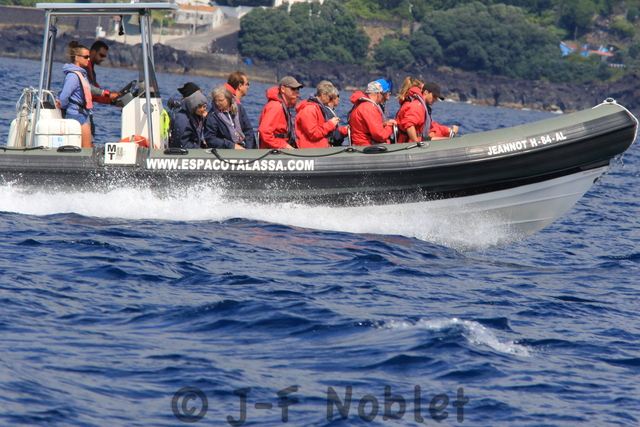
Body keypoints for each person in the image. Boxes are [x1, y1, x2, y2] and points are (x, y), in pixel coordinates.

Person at [57, 41, 93, 148]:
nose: (89, 59)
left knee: (89, 145)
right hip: (75, 114)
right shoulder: (73, 76)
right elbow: (64, 96)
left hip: (82, 113)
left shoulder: (81, 74)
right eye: (86, 57)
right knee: (86, 147)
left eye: (89, 57)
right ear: (77, 57)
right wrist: (62, 107)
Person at [257, 76, 302, 149]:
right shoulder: (276, 106)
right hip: (273, 151)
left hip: (280, 148)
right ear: (283, 89)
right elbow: (264, 132)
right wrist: (283, 146)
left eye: (298, 89)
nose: (297, 91)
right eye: (293, 88)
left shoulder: (283, 106)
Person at [348, 81, 397, 146]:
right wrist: (390, 127)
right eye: (382, 94)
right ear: (378, 93)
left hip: (358, 144)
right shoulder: (370, 108)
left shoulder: (360, 105)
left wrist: (384, 124)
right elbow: (379, 136)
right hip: (367, 146)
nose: (382, 96)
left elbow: (365, 127)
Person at [294, 81, 341, 149]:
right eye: (330, 98)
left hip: (317, 149)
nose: (330, 101)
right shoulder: (310, 109)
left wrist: (329, 123)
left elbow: (317, 127)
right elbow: (313, 133)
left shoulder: (318, 108)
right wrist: (331, 124)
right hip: (311, 150)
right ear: (323, 94)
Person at [86, 40, 122, 107]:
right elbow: (88, 88)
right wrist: (109, 94)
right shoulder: (84, 67)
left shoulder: (91, 71)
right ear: (93, 52)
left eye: (104, 56)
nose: (103, 59)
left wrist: (112, 101)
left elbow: (95, 93)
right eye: (101, 55)